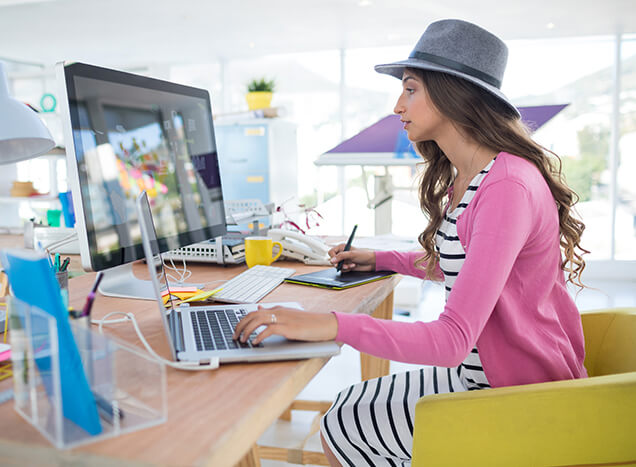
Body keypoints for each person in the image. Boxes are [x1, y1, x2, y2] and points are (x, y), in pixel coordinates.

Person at [233, 18, 589, 467]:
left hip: (518, 396)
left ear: (452, 93)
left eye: (411, 89)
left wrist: (330, 325)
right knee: (344, 411)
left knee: (344, 425)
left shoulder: (505, 187)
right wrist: (381, 258)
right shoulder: (473, 176)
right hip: (487, 380)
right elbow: (473, 266)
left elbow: (451, 341)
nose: (398, 104)